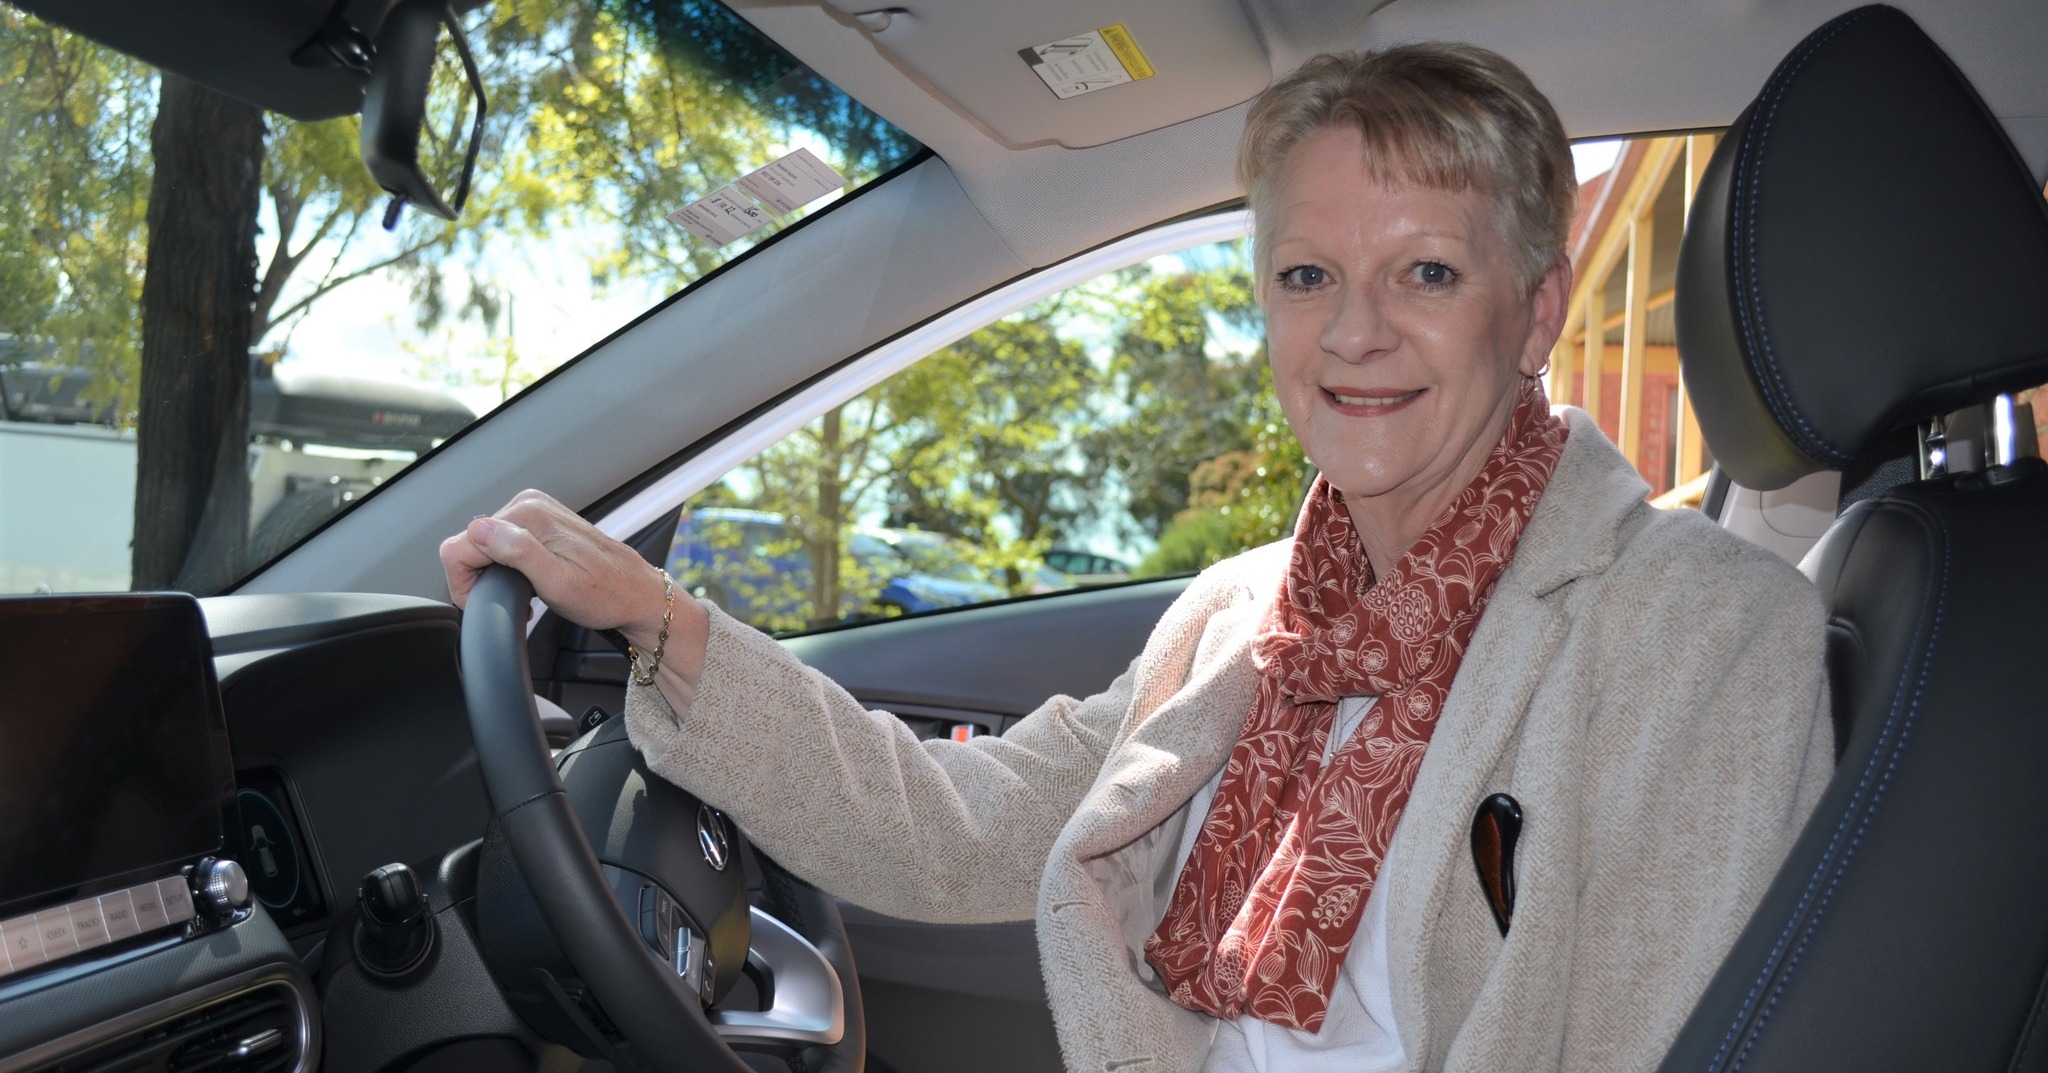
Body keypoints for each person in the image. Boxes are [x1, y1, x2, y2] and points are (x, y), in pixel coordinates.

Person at [442, 44, 1832, 1073]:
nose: (1353, 332)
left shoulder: (1700, 631)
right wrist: (663, 622)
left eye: (1425, 273)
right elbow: (958, 823)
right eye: (1305, 276)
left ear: (1534, 314)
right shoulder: (1249, 610)